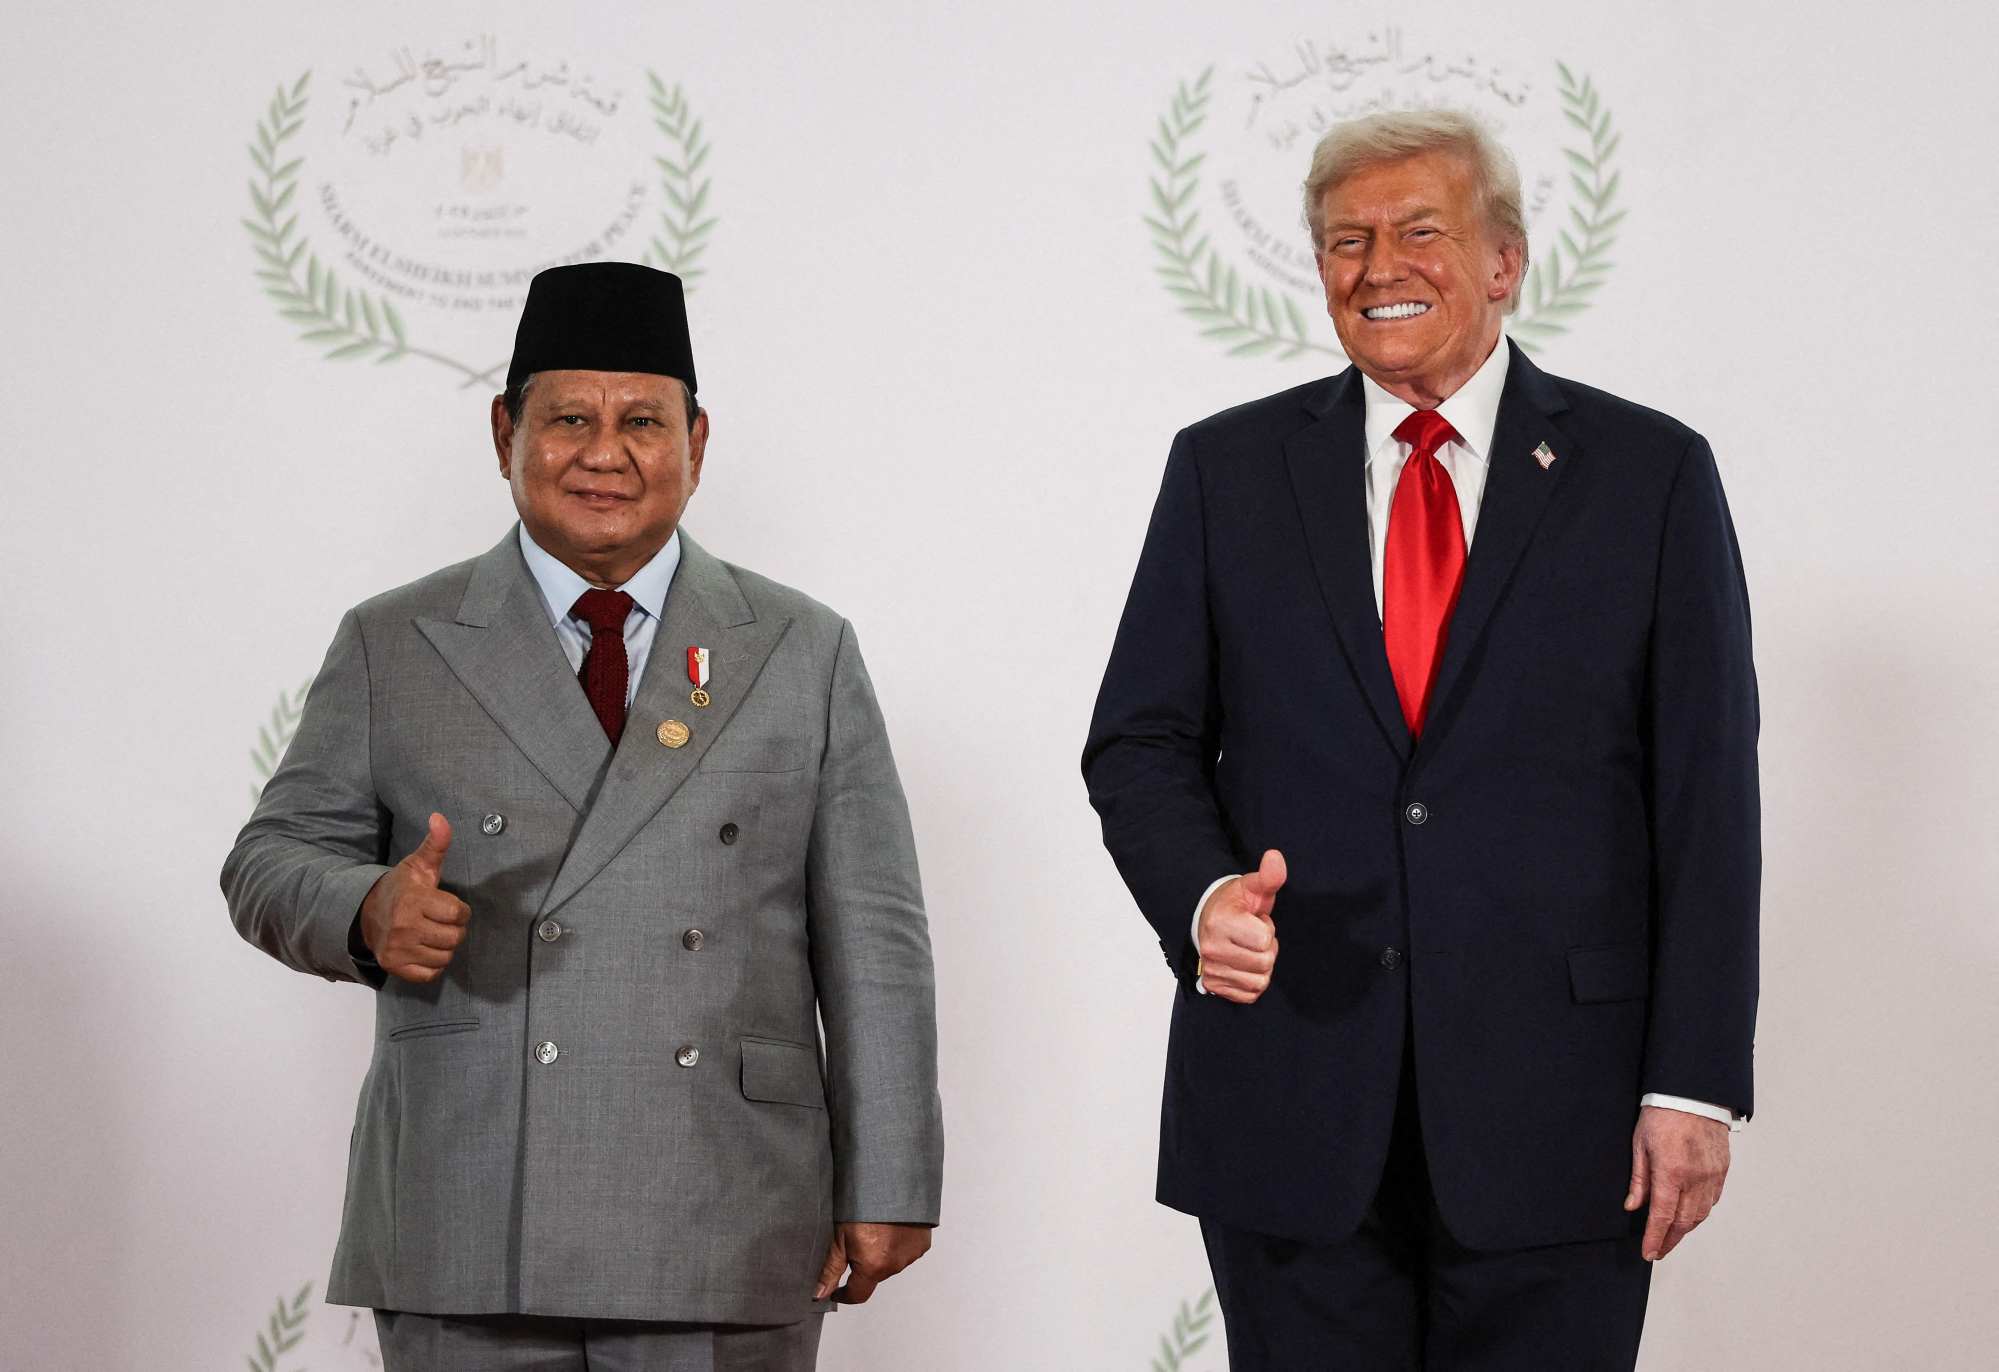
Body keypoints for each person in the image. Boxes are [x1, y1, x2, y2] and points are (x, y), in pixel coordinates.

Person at [1082, 111, 1758, 1368]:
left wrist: (1691, 1084)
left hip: (1564, 1117)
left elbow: (1706, 797)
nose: (1376, 265)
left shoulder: (1649, 474)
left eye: (1418, 232)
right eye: (1346, 240)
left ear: (1503, 261)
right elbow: (1141, 742)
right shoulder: (1225, 470)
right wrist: (1204, 893)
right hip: (1289, 1102)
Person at [223, 262, 942, 1371]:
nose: (604, 453)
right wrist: (367, 907)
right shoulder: (395, 640)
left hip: (727, 1199)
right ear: (505, 430)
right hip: (473, 1201)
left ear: (697, 443)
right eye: (567, 418)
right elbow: (268, 859)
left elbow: (875, 939)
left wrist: (890, 1173)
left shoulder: (801, 649)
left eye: (642, 421)